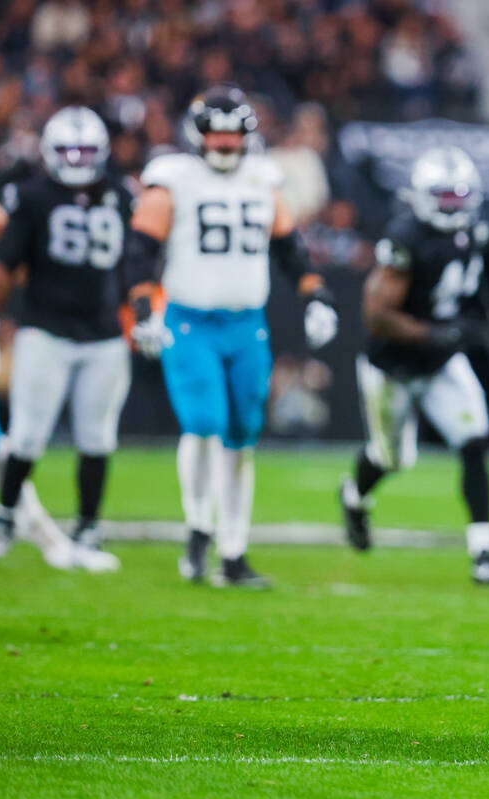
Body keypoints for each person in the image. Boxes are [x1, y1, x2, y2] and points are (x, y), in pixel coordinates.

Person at [121, 85, 339, 587]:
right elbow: (140, 249)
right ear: (197, 136)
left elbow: (290, 250)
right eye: (214, 135)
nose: (223, 145)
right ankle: (199, 527)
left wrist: (316, 295)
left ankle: (234, 549)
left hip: (246, 326)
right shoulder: (171, 177)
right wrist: (141, 308)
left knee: (241, 437)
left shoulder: (264, 179)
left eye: (231, 135)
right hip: (190, 322)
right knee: (204, 423)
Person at [338, 145, 489, 584]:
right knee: (392, 459)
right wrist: (436, 333)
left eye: (459, 197)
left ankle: (484, 555)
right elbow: (376, 316)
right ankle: (355, 497)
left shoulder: (472, 230)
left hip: (440, 362)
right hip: (393, 366)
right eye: (444, 197)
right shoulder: (404, 239)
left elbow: (472, 287)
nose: (452, 206)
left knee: (474, 441)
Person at [0, 107, 132, 571]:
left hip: (104, 332)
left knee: (97, 436)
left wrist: (145, 309)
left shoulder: (121, 197)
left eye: (84, 150)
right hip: (45, 328)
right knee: (26, 434)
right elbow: (7, 264)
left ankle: (88, 529)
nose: (75, 158)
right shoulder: (31, 197)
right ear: (49, 152)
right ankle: (4, 521)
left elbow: (138, 262)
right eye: (67, 149)